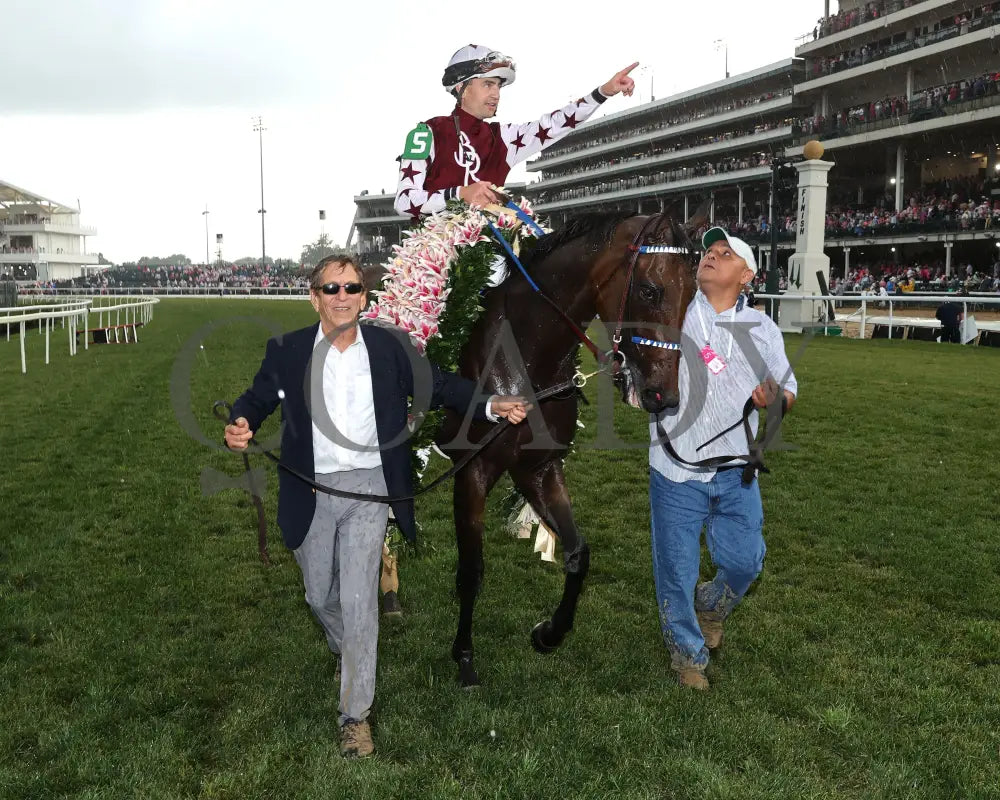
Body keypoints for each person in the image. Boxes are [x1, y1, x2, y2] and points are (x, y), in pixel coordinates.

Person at [224, 255, 528, 757]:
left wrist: (492, 404)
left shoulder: (389, 348)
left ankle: (354, 716)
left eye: (351, 287)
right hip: (311, 488)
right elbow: (257, 399)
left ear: (364, 297)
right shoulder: (288, 350)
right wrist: (240, 423)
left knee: (361, 603)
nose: (341, 296)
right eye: (331, 288)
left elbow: (441, 384)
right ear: (314, 296)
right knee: (320, 596)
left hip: (370, 487)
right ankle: (351, 652)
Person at [648, 227, 798, 690]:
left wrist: (773, 397)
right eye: (709, 251)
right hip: (675, 469)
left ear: (746, 274)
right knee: (676, 569)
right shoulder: (671, 315)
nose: (712, 256)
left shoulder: (763, 328)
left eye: (725, 253)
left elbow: (788, 391)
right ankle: (688, 655)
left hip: (737, 472)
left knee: (746, 562)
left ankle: (712, 604)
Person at [394, 45, 638, 218]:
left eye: (498, 86)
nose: (496, 94)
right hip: (433, 255)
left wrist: (603, 92)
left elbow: (554, 125)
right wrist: (460, 193)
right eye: (487, 84)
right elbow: (404, 201)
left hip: (491, 247)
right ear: (461, 88)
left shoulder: (505, 137)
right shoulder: (426, 133)